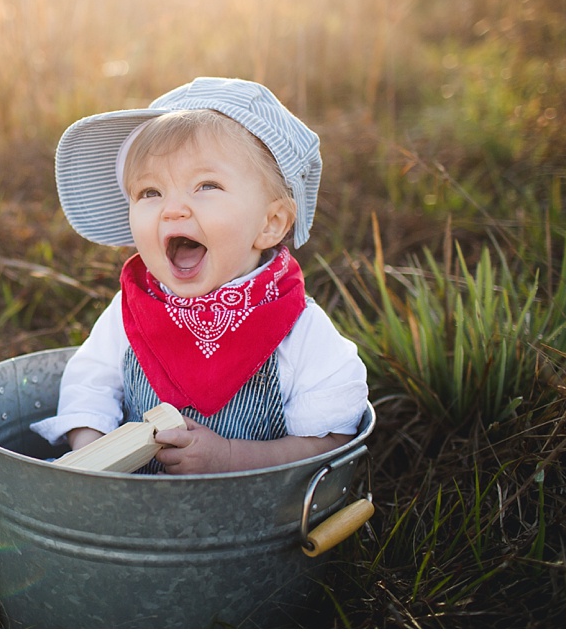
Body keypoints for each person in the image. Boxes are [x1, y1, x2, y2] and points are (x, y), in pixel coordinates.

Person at [31, 77, 368, 474]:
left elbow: (329, 440)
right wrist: (94, 452)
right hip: (130, 509)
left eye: (206, 185)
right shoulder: (133, 308)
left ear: (271, 223)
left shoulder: (298, 327)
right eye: (150, 192)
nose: (172, 209)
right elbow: (90, 384)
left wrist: (230, 458)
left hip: (245, 519)